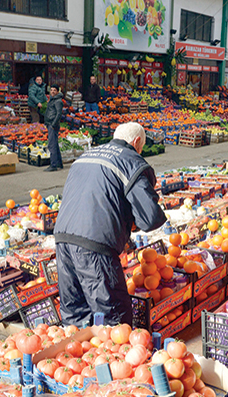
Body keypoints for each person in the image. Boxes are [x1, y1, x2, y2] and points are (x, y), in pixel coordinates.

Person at [53, 122, 167, 326]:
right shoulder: (131, 160)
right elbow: (149, 217)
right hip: (95, 246)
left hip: (63, 239)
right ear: (137, 142)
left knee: (74, 316)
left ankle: (78, 355)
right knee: (113, 318)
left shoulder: (86, 155)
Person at [44, 85, 64, 172]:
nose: (52, 92)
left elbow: (58, 113)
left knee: (51, 145)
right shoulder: (52, 100)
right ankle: (59, 163)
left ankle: (53, 165)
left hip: (53, 124)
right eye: (51, 90)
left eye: (54, 90)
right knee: (55, 144)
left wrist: (53, 124)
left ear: (57, 92)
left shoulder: (58, 101)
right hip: (50, 123)